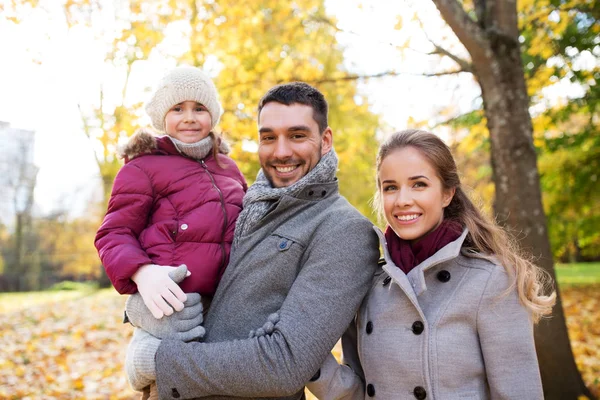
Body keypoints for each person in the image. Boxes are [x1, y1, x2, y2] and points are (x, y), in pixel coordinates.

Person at [124, 82, 380, 399]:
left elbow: (284, 364)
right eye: (268, 137)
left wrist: (159, 359)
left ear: (325, 140)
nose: (281, 151)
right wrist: (140, 301)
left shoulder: (344, 229)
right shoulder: (244, 204)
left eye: (297, 135)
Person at [306, 129, 556, 400]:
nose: (402, 200)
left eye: (419, 184)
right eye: (390, 187)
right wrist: (304, 359)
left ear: (447, 193)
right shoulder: (369, 283)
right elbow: (359, 393)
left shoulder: (491, 280)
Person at [94, 66, 247, 398]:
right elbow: (114, 233)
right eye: (178, 108)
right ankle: (143, 357)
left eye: (199, 108)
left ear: (213, 115)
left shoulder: (229, 168)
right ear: (162, 116)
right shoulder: (143, 167)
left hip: (223, 305)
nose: (189, 117)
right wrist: (142, 272)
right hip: (170, 303)